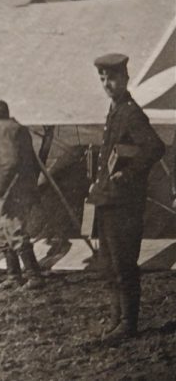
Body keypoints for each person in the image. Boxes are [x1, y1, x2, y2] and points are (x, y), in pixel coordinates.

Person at [87, 53, 165, 340]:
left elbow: (155, 148)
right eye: (103, 78)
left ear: (126, 78)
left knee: (123, 264)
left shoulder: (131, 112)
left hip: (125, 204)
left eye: (113, 78)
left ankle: (128, 324)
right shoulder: (115, 109)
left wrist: (128, 174)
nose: (108, 83)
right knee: (109, 263)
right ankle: (116, 319)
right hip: (109, 200)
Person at [0, 100, 44, 291]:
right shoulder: (19, 129)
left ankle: (34, 275)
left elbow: (10, 163)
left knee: (15, 231)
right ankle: (13, 276)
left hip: (13, 191)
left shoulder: (5, 132)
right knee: (4, 233)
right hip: (20, 188)